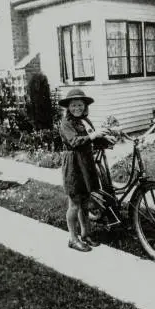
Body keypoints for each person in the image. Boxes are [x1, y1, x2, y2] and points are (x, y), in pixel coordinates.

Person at [58, 88, 115, 252]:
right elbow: (75, 141)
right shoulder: (66, 123)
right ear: (68, 107)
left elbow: (92, 140)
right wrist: (93, 136)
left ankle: (85, 234)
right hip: (74, 165)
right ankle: (72, 238)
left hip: (86, 164)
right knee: (74, 203)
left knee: (85, 203)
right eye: (74, 105)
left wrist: (106, 139)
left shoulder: (85, 121)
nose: (77, 108)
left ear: (85, 106)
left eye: (80, 105)